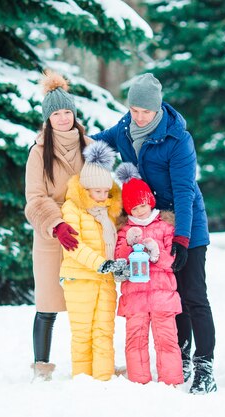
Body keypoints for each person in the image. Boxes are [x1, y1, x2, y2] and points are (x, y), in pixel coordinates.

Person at [92, 73, 217, 394]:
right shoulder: (124, 128)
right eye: (134, 109)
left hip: (186, 223)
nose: (139, 116)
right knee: (168, 296)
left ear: (158, 108)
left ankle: (205, 367)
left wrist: (182, 240)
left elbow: (185, 191)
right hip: (147, 221)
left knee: (192, 296)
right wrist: (62, 138)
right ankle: (182, 356)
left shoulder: (177, 138)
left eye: (145, 111)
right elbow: (95, 144)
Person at [24, 70, 89, 381]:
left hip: (85, 234)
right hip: (52, 236)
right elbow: (35, 199)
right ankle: (41, 367)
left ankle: (92, 364)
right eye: (57, 114)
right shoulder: (38, 153)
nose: (63, 119)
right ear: (47, 119)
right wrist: (57, 223)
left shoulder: (90, 146)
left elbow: (104, 188)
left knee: (90, 301)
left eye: (67, 112)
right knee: (48, 302)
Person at [59, 141, 129, 381]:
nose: (102, 197)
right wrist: (100, 264)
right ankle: (81, 378)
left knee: (104, 332)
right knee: (82, 333)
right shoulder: (72, 209)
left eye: (106, 192)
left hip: (106, 281)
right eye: (97, 192)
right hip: (80, 278)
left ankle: (103, 378)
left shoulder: (110, 213)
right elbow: (73, 246)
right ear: (86, 188)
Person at [114, 162, 184, 386]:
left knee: (167, 340)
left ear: (150, 202)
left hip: (163, 296)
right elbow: (119, 261)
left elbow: (172, 262)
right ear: (128, 210)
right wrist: (128, 245)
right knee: (135, 341)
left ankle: (171, 381)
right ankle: (138, 381)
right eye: (135, 208)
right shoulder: (124, 231)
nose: (141, 210)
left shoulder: (165, 226)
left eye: (144, 205)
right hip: (135, 297)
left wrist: (156, 251)